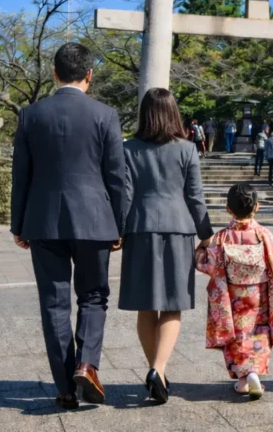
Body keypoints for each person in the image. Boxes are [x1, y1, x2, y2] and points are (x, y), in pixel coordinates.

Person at [10, 42, 126, 410]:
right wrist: (119, 224)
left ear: (55, 73)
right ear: (89, 75)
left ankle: (64, 387)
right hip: (94, 219)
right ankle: (87, 365)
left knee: (54, 304)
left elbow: (21, 175)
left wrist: (19, 224)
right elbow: (116, 177)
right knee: (93, 296)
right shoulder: (105, 115)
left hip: (43, 219)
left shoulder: (30, 115)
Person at [119, 88, 215, 405]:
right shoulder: (187, 149)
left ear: (144, 114)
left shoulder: (128, 149)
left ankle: (155, 372)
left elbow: (124, 194)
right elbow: (195, 197)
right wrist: (206, 235)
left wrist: (118, 230)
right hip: (178, 229)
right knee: (172, 304)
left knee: (147, 306)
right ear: (174, 114)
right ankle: (158, 370)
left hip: (140, 228)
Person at [195, 183, 273, 399]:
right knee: (258, 332)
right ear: (257, 207)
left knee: (237, 335)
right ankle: (250, 376)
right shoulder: (263, 234)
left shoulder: (222, 238)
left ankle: (246, 374)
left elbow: (208, 264)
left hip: (232, 297)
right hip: (259, 295)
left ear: (227, 208)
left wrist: (198, 250)